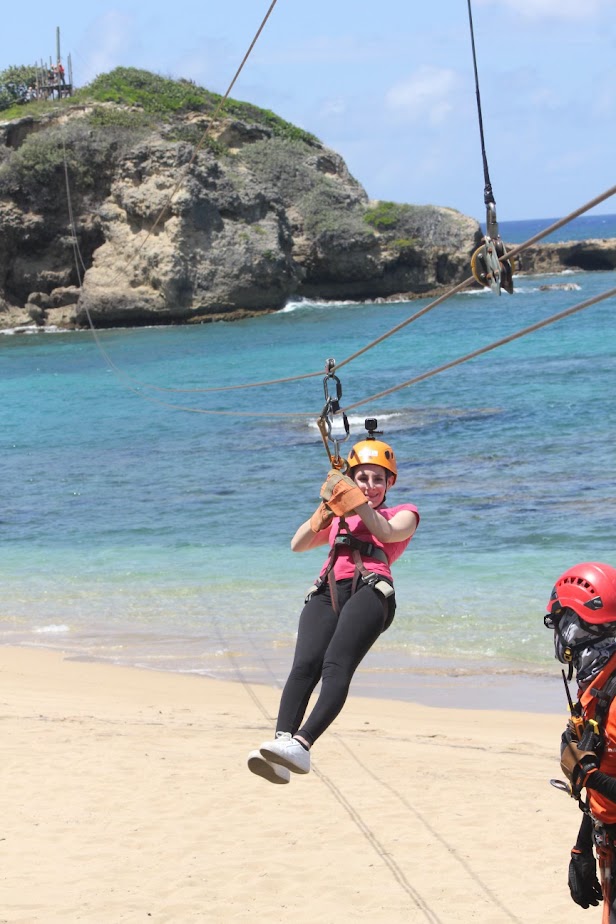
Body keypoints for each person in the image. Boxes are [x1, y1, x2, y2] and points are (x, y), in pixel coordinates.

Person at [247, 422, 419, 784]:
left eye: (377, 479)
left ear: (390, 484)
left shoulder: (402, 513)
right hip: (327, 590)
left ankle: (303, 744)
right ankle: (281, 748)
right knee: (303, 666)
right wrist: (326, 510)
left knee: (334, 665)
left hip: (372, 591)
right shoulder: (341, 516)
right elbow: (297, 544)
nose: (370, 486)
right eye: (362, 479)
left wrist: (354, 502)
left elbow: (387, 534)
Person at [544, 562, 616, 919]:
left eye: (558, 625)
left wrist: (590, 776)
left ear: (574, 630)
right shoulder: (599, 686)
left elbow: (594, 771)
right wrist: (582, 844)